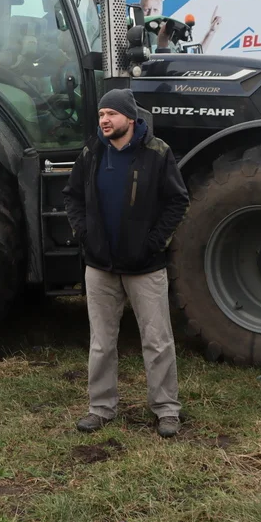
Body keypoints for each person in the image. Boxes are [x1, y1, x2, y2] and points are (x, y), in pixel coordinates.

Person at [63, 88, 190, 438]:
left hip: (145, 267)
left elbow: (177, 202)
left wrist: (154, 244)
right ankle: (100, 408)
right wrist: (85, 235)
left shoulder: (157, 153)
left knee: (158, 340)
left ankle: (166, 410)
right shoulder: (91, 153)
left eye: (111, 114)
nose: (104, 120)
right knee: (102, 342)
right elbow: (71, 196)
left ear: (130, 119)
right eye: (101, 114)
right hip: (100, 266)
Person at [139, 0, 221, 53]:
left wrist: (211, 32)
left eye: (155, 10)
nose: (151, 13)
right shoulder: (135, 35)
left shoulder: (170, 34)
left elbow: (195, 56)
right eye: (147, 10)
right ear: (140, 11)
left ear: (161, 11)